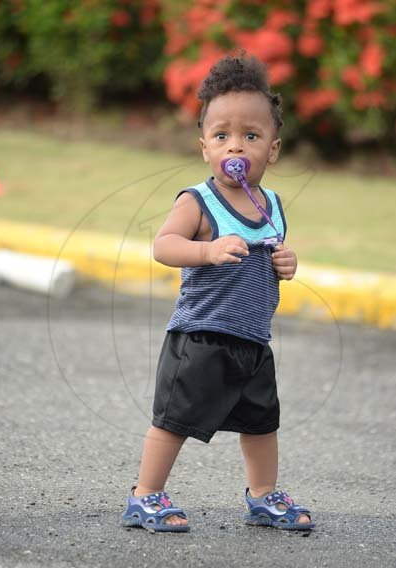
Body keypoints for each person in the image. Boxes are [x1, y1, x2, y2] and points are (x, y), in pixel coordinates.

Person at [121, 53, 315, 532]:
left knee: (261, 422)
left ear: (272, 149)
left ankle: (263, 495)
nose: (237, 146)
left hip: (252, 339)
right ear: (205, 147)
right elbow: (164, 246)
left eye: (251, 136)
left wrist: (285, 263)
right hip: (202, 336)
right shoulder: (198, 200)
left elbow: (273, 254)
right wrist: (206, 253)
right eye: (222, 135)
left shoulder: (271, 205)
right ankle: (145, 496)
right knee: (174, 419)